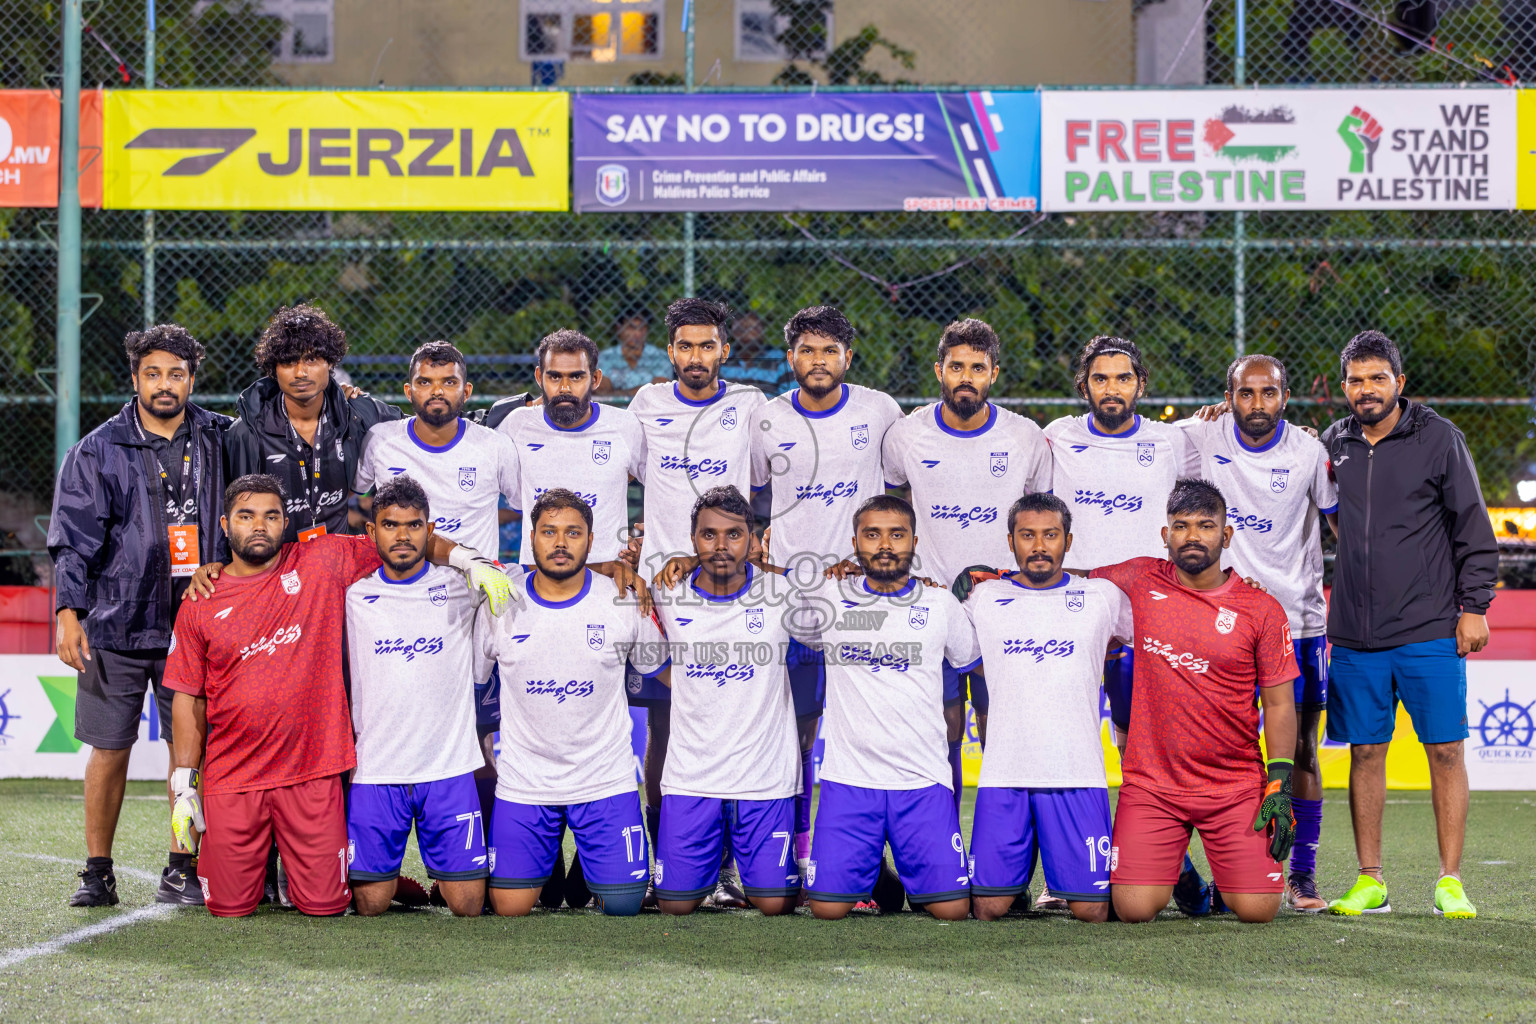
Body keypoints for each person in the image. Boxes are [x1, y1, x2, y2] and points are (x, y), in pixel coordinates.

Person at [163, 474, 512, 917]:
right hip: (233, 775)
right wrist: (183, 786)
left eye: (271, 516)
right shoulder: (201, 599)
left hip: (313, 771)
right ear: (224, 524)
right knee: (228, 909)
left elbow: (406, 540)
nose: (258, 526)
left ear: (285, 522)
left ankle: (376, 878)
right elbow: (188, 697)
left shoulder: (322, 561)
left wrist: (467, 560)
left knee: (328, 907)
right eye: (246, 516)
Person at [48, 324, 231, 907]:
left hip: (198, 627)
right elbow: (73, 541)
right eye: (152, 373)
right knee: (109, 749)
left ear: (192, 379)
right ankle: (96, 871)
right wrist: (68, 612)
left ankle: (182, 866)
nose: (164, 384)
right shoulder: (97, 450)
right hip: (117, 626)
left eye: (176, 373)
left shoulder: (220, 438)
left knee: (194, 753)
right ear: (134, 378)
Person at [1320, 330, 1497, 920]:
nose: (1366, 390)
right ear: (1342, 387)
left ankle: (1450, 879)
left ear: (1400, 382)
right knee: (1366, 752)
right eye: (1355, 380)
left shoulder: (1440, 438)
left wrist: (1474, 607)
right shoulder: (1333, 443)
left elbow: (1474, 529)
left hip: (1428, 627)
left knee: (1445, 750)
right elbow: (1335, 521)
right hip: (1354, 633)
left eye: (1377, 378)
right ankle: (1371, 880)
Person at [1089, 479, 1299, 925]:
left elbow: (1280, 704)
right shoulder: (1140, 577)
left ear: (1225, 536)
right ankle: (1183, 876)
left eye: (1205, 526)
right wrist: (1000, 577)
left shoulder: (1260, 608)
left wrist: (1278, 782)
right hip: (1153, 784)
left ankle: (1229, 873)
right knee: (1134, 910)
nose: (1192, 536)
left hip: (1232, 784)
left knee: (1258, 910)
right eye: (1181, 526)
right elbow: (1064, 582)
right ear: (1166, 536)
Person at [1040, 334, 1200, 911]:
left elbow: (1221, 465)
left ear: (1140, 384)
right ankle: (1066, 878)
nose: (1112, 389)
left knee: (1145, 750)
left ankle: (1166, 863)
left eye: (1123, 378)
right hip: (1073, 622)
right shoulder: (1055, 437)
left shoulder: (1171, 443)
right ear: (1084, 384)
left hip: (1148, 627)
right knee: (1070, 746)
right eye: (1100, 379)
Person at [750, 305, 903, 891]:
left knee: (861, 727)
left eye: (830, 350)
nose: (819, 361)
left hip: (864, 596)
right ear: (791, 358)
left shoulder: (879, 410)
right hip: (789, 591)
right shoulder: (766, 419)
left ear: (847, 357)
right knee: (793, 729)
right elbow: (751, 489)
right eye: (808, 351)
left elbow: (909, 470)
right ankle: (793, 846)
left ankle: (868, 854)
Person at [1178, 354, 1339, 913]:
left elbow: (1344, 523)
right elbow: (1139, 448)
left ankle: (1303, 875)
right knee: (1222, 750)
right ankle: (1233, 871)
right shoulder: (1200, 435)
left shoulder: (1309, 453)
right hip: (1223, 627)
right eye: (1245, 394)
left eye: (1268, 393)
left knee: (1300, 752)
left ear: (1285, 397)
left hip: (1299, 625)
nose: (1257, 405)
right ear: (1228, 397)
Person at [627, 297, 769, 906]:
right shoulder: (646, 404)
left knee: (741, 719)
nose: (695, 357)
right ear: (671, 352)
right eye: (684, 346)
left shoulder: (751, 406)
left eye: (706, 345)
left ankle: (735, 866)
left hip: (731, 587)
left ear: (724, 351)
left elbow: (763, 485)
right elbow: (623, 478)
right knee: (664, 726)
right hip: (663, 592)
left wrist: (755, 542)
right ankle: (670, 855)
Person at [352, 340, 523, 830]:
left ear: (466, 390)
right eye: (425, 382)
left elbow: (527, 505)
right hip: (402, 606)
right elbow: (360, 503)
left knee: (482, 739)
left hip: (475, 610)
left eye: (448, 381)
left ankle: (492, 851)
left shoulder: (492, 446)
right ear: (408, 390)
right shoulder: (383, 441)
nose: (436, 391)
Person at [881, 318, 1051, 810]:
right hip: (933, 605)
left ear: (993, 373)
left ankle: (1004, 850)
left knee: (999, 727)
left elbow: (1041, 520)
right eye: (956, 366)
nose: (966, 377)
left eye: (977, 367)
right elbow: (888, 499)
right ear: (939, 370)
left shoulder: (1024, 437)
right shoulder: (907, 435)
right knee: (943, 730)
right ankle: (947, 842)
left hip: (1006, 606)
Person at [480, 489, 668, 917]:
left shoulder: (622, 598)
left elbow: (659, 667)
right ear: (531, 538)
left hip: (603, 781)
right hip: (527, 783)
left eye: (572, 533)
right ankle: (547, 862)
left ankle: (590, 861)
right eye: (549, 532)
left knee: (623, 906)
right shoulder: (501, 600)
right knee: (509, 907)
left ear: (591, 539)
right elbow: (472, 680)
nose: (560, 543)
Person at [799, 495, 975, 921]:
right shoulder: (827, 597)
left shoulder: (939, 604)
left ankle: (907, 875)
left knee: (951, 910)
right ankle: (876, 874)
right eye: (872, 534)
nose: (884, 545)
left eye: (896, 535)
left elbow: (975, 664)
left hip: (922, 779)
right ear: (854, 542)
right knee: (826, 909)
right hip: (849, 778)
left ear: (914, 541)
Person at [962, 492, 1131, 924]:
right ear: (1011, 541)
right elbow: (962, 654)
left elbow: (1156, 627)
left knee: (1092, 910)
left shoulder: (1103, 597)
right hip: (1005, 774)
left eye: (1050, 535)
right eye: (1027, 536)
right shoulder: (983, 598)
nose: (1039, 546)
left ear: (1068, 542)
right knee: (987, 908)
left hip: (1076, 773)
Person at [649, 486, 813, 916]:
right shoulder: (665, 592)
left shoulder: (783, 594)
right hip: (692, 776)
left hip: (765, 777)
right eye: (709, 535)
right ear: (692, 538)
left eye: (734, 535)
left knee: (775, 904)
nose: (721, 546)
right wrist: (691, 682)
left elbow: (842, 608)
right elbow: (650, 661)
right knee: (674, 905)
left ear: (753, 539)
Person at [344, 475, 494, 916]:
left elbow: (521, 575)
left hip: (446, 767)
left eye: (413, 525)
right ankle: (400, 886)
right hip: (376, 768)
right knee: (370, 904)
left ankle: (438, 880)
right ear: (372, 533)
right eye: (390, 525)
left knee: (467, 906)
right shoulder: (354, 595)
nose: (402, 535)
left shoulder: (462, 587)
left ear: (430, 532)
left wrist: (468, 558)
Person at [223, 303, 400, 545]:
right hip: (275, 566)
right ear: (273, 370)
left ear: (330, 363)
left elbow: (422, 427)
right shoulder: (246, 433)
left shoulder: (357, 415)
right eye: (288, 362)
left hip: (338, 560)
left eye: (312, 359)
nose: (300, 372)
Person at [498, 329, 646, 564]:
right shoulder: (516, 426)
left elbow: (664, 485)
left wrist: (649, 537)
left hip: (608, 581)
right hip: (535, 580)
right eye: (554, 377)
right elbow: (507, 494)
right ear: (539, 377)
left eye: (576, 377)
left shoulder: (624, 426)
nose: (564, 387)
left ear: (595, 379)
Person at [596, 311, 672, 397]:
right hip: (614, 409)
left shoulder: (659, 357)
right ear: (619, 329)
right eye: (631, 327)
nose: (637, 333)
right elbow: (601, 392)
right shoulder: (606, 357)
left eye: (642, 328)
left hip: (649, 409)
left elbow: (660, 390)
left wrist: (618, 393)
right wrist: (643, 391)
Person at [729, 311, 792, 395]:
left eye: (755, 328)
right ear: (734, 332)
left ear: (762, 330)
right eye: (742, 328)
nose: (749, 333)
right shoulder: (723, 358)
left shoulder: (779, 358)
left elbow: (789, 396)